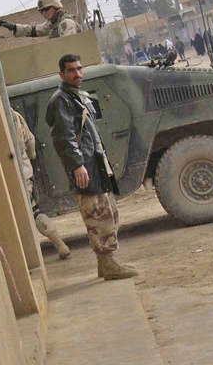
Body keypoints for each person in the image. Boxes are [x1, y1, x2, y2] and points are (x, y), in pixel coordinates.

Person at [45, 54, 139, 280]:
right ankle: (108, 264)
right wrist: (77, 165)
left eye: (79, 69)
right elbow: (64, 137)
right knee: (97, 215)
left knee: (108, 212)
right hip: (84, 165)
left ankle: (105, 263)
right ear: (61, 74)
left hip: (95, 163)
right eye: (71, 70)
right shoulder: (61, 100)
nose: (77, 74)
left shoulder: (78, 97)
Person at [11, 109, 70, 259]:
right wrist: (30, 156)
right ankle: (58, 243)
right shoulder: (15, 117)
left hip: (5, 178)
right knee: (35, 211)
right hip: (24, 174)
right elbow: (30, 143)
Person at [0, 0, 80, 40]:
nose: (44, 13)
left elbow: (70, 47)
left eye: (46, 9)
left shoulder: (66, 23)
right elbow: (33, 30)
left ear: (55, 7)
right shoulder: (53, 24)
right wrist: (13, 27)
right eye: (42, 11)